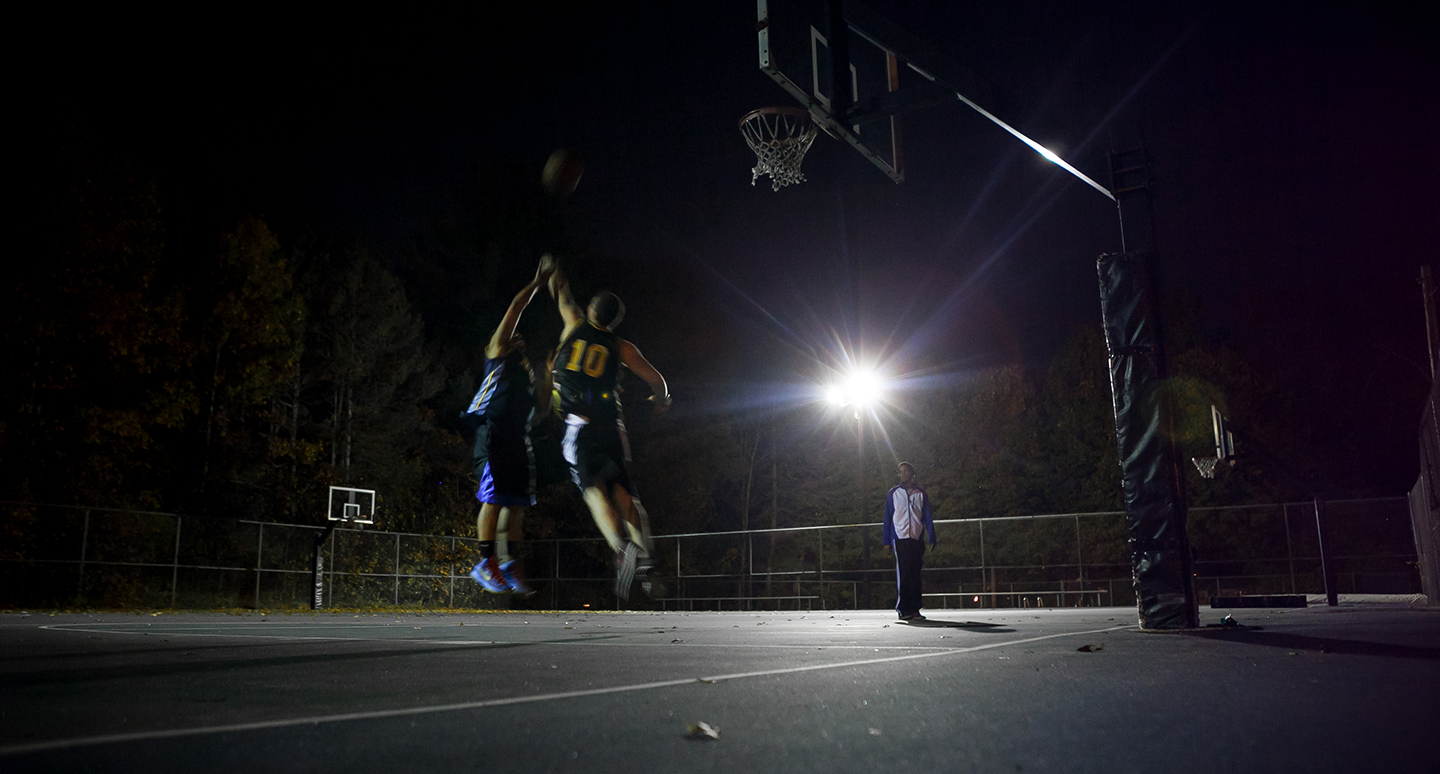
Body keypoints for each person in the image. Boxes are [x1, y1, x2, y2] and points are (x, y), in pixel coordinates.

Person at [548, 268, 670, 600]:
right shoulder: (622, 346)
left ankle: (621, 548)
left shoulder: (574, 322)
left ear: (590, 310)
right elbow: (657, 380)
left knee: (592, 491)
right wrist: (661, 403)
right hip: (612, 428)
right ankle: (647, 560)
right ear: (614, 321)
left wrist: (552, 274)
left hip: (579, 424)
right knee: (626, 494)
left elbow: (561, 293)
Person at [462, 255, 555, 597]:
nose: (519, 339)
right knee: (493, 499)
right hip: (495, 435)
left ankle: (507, 563)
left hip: (520, 440)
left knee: (516, 504)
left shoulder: (525, 376)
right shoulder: (496, 352)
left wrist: (546, 374)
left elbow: (543, 410)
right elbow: (516, 307)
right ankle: (484, 562)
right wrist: (538, 281)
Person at [883, 461, 936, 621]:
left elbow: (927, 516)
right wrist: (886, 541)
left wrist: (931, 537)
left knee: (915, 574)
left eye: (905, 471)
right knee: (904, 574)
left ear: (912, 473)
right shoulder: (893, 493)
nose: (902, 474)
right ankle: (903, 609)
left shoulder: (921, 493)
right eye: (900, 471)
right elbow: (888, 518)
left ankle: (915, 609)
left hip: (916, 538)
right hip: (900, 538)